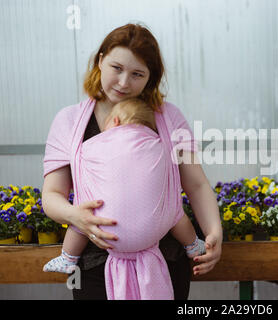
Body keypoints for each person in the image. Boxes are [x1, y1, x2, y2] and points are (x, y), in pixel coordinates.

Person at [41, 23, 222, 300]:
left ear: (150, 78)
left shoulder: (169, 118)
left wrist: (214, 231)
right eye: (116, 68)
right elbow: (52, 194)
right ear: (100, 61)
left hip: (166, 261)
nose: (124, 83)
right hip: (92, 267)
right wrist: (74, 216)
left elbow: (196, 184)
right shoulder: (69, 121)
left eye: (137, 74)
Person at [43, 98, 206, 279]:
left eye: (137, 74)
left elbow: (78, 162)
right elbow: (190, 180)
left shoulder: (90, 146)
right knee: (175, 213)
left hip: (102, 232)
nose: (124, 81)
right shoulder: (162, 143)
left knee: (81, 221)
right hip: (157, 233)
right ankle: (193, 246)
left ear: (115, 121)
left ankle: (67, 258)